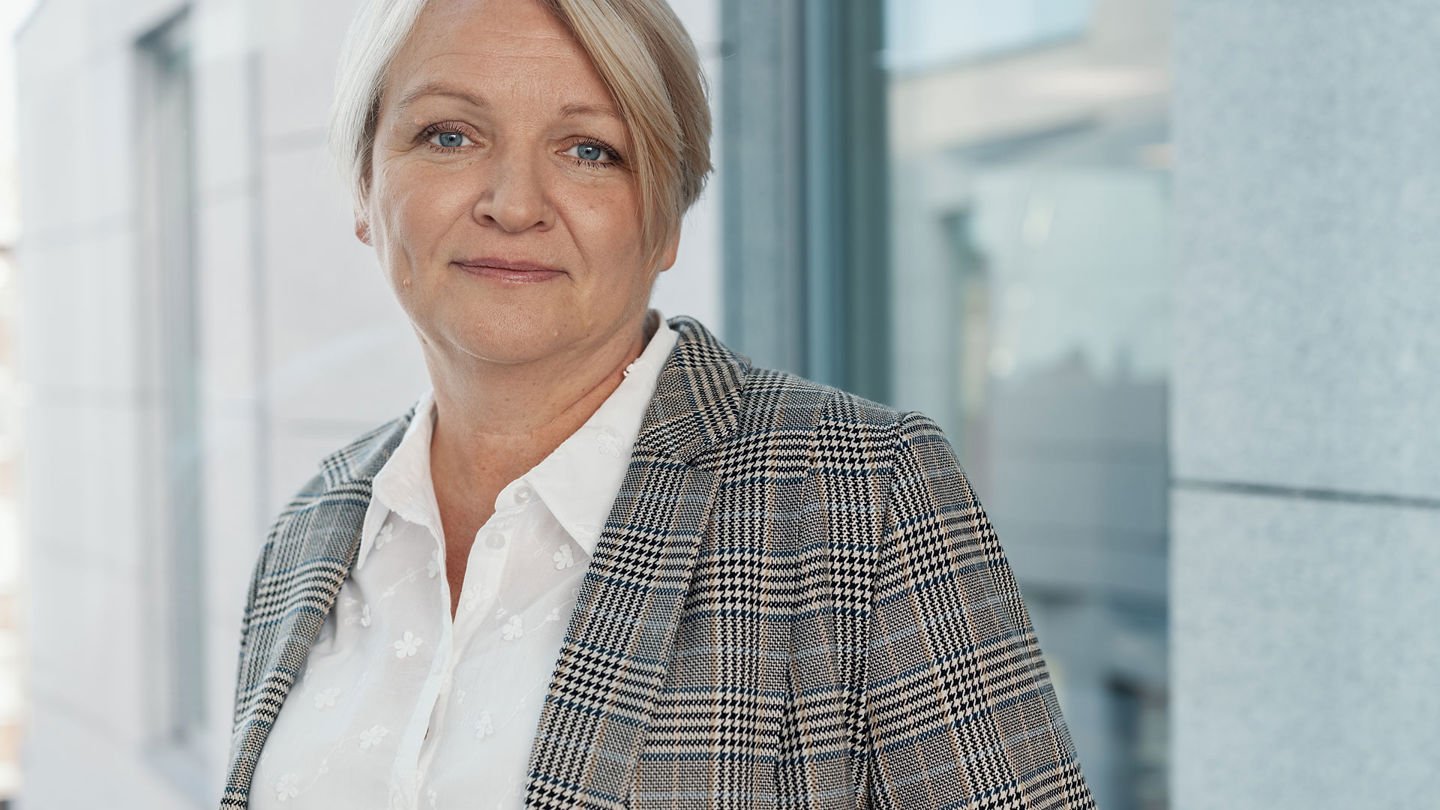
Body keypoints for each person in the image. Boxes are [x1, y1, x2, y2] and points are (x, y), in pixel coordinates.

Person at [222, 0, 1096, 807]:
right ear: (364, 185)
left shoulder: (865, 496)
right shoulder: (311, 532)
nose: (514, 204)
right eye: (449, 135)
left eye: (589, 150)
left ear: (668, 217)